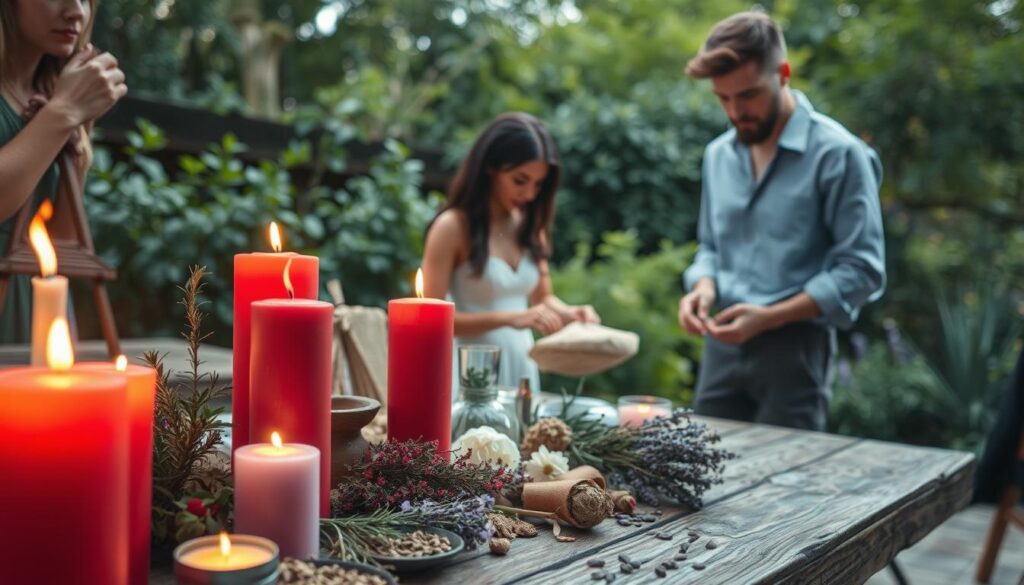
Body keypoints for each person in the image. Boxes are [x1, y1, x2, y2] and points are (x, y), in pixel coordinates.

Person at [678, 12, 885, 431]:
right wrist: (702, 287)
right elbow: (710, 248)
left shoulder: (840, 155)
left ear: (784, 73)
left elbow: (862, 270)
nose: (736, 111)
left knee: (786, 488)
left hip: (796, 351)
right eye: (724, 98)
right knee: (697, 484)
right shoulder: (717, 155)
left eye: (749, 95)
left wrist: (770, 317)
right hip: (720, 345)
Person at [421, 112, 599, 398]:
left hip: (523, 365)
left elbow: (543, 299)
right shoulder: (453, 227)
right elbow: (431, 318)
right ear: (491, 166)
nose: (529, 193)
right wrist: (510, 318)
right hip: (471, 371)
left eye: (538, 184)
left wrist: (570, 313)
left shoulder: (531, 225)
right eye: (520, 180)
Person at [0, 0, 127, 342]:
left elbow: (62, 241)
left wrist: (78, 137)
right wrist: (62, 113)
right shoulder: (60, 104)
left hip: (39, 304)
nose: (77, 11)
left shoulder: (54, 93)